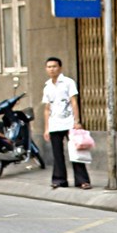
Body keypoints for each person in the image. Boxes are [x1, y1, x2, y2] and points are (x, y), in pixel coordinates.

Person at [41, 56, 90, 190]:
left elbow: (74, 102)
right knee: (57, 154)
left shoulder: (68, 82)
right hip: (54, 124)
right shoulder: (47, 87)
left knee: (76, 152)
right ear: (46, 69)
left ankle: (82, 180)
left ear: (60, 68)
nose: (52, 69)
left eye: (54, 66)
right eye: (49, 67)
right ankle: (59, 180)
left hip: (69, 123)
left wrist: (77, 121)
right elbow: (46, 109)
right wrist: (46, 129)